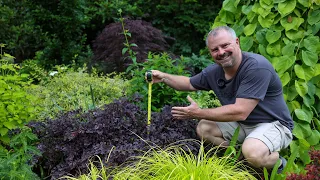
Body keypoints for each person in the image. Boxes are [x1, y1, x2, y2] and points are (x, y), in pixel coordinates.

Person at [147, 26, 293, 173]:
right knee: (205, 128)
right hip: (243, 124)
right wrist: (164, 77)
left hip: (273, 124)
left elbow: (240, 112)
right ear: (210, 52)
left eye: (225, 45)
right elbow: (189, 83)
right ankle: (241, 159)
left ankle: (279, 164)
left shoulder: (256, 67)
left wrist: (198, 112)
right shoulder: (215, 72)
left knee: (253, 152)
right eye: (215, 49)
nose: (221, 52)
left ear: (237, 42)